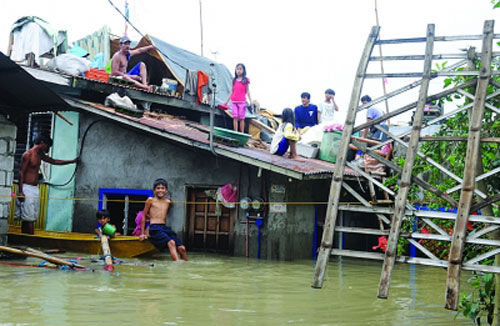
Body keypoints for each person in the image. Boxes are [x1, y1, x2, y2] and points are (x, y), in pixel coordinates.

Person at [16, 135, 79, 234]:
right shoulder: (28, 154)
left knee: (30, 216)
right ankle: (31, 240)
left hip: (34, 188)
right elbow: (21, 173)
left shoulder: (40, 155)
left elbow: (54, 161)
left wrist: (71, 161)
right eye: (47, 146)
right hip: (26, 188)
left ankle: (26, 238)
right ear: (42, 143)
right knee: (28, 217)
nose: (48, 149)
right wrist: (20, 191)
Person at [139, 178, 188, 261]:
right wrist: (143, 233)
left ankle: (187, 266)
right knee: (171, 243)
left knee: (182, 248)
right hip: (155, 228)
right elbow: (144, 216)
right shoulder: (150, 200)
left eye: (162, 188)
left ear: (166, 191)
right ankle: (177, 265)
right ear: (154, 190)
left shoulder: (168, 202)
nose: (160, 190)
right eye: (158, 188)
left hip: (164, 228)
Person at [224, 63, 252, 133]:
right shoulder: (234, 80)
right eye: (237, 69)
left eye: (240, 69)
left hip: (242, 102)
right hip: (234, 102)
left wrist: (250, 100)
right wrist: (226, 102)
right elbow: (232, 91)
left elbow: (247, 91)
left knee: (242, 118)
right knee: (235, 117)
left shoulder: (246, 80)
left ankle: (242, 133)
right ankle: (235, 132)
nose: (238, 71)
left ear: (243, 70)